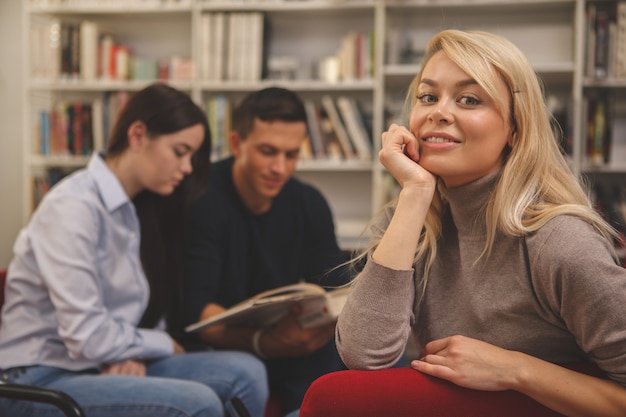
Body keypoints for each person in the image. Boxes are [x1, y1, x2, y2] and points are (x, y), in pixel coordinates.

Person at [335, 29, 626, 416]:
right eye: (427, 96)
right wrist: (416, 194)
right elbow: (363, 354)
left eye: (469, 99)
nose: (439, 111)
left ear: (514, 128)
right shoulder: (409, 219)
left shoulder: (561, 241)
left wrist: (517, 370)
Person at [0, 83, 268, 417]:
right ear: (138, 135)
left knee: (246, 373)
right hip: (39, 376)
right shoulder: (72, 207)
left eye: (192, 157)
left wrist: (132, 352)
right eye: (180, 151)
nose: (187, 168)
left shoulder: (140, 206)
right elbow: (85, 336)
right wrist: (162, 344)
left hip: (99, 362)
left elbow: (132, 315)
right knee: (198, 403)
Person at [181, 87, 350, 417]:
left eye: (291, 154)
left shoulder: (308, 202)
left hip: (290, 341)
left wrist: (323, 322)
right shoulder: (200, 198)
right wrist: (265, 341)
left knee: (370, 353)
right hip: (221, 343)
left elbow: (337, 289)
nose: (280, 168)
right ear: (235, 144)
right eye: (268, 151)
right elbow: (194, 312)